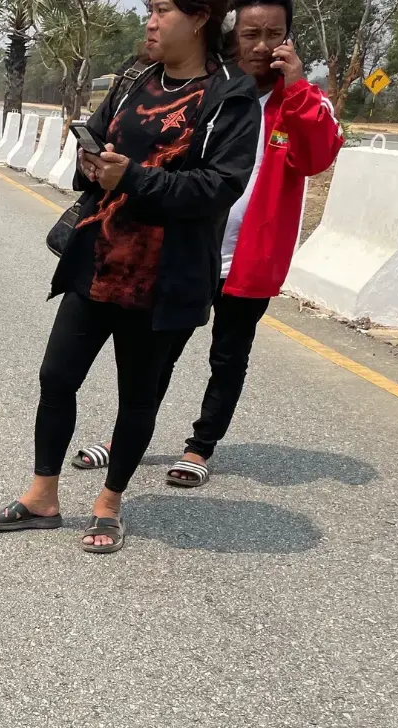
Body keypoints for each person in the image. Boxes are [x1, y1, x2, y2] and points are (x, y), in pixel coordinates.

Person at [0, 0, 261, 554]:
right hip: (99, 260)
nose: (150, 22)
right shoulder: (136, 79)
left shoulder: (231, 95)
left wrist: (132, 176)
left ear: (200, 17)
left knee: (137, 397)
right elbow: (105, 137)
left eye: (162, 11)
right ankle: (43, 495)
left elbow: (218, 188)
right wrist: (92, 160)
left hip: (163, 277)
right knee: (56, 377)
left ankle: (109, 505)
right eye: (149, 10)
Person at [70, 0, 344, 488]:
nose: (261, 46)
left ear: (288, 39)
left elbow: (320, 154)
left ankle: (200, 446)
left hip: (249, 257)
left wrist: (298, 86)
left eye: (273, 34)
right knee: (157, 352)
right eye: (251, 33)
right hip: (187, 250)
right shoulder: (213, 89)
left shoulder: (300, 100)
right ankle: (125, 437)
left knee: (229, 355)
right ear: (230, 32)